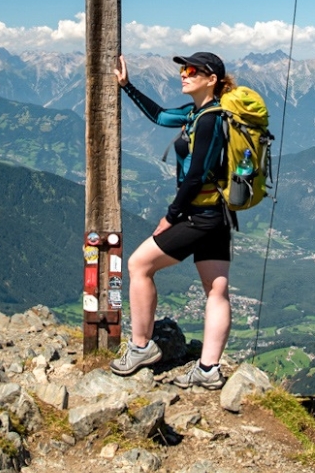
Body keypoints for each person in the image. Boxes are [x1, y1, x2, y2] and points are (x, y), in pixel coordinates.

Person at [108, 50, 235, 389]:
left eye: (193, 69)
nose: (184, 73)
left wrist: (170, 216)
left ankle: (140, 346)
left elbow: (196, 176)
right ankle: (208, 371)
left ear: (212, 80)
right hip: (218, 215)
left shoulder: (208, 119)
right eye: (183, 68)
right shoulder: (199, 113)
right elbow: (162, 116)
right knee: (217, 290)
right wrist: (127, 86)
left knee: (138, 266)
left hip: (198, 216)